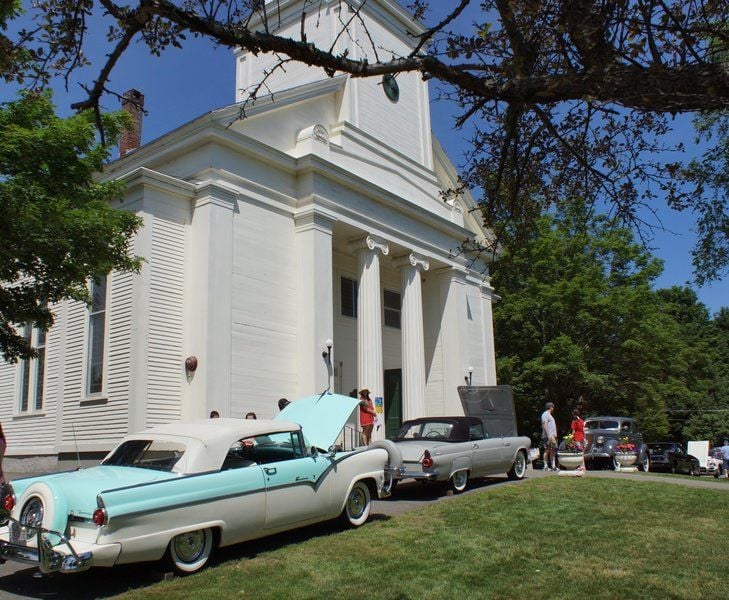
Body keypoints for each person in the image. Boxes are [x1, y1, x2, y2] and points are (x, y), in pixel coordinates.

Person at [541, 402, 558, 472]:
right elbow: (545, 424)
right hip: (548, 436)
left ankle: (553, 466)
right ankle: (545, 466)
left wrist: (555, 435)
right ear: (550, 407)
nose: (553, 408)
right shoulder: (545, 414)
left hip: (552, 436)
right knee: (547, 450)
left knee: (553, 451)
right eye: (553, 407)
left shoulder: (550, 415)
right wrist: (548, 435)